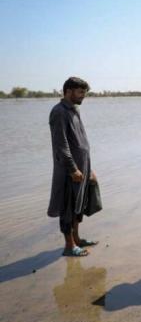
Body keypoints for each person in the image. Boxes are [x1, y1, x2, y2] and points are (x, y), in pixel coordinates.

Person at [48, 77, 99, 257]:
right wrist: (73, 169)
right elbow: (61, 146)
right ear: (68, 91)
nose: (83, 96)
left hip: (82, 169)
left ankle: (76, 239)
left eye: (84, 92)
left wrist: (88, 168)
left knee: (79, 206)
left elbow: (81, 143)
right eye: (80, 92)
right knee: (67, 208)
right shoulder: (59, 112)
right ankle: (69, 246)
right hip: (69, 172)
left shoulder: (74, 110)